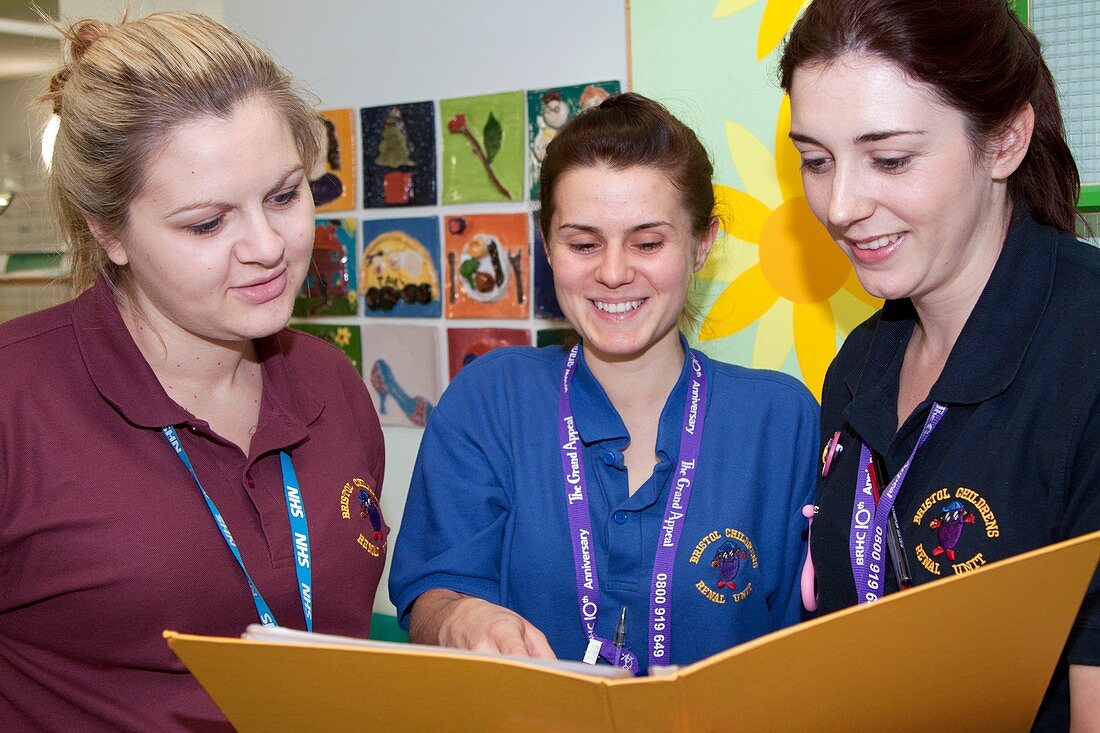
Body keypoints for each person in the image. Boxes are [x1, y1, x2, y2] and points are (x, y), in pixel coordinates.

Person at [0, 13, 386, 731]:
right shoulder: (15, 402)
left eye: (284, 195)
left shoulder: (332, 384)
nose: (268, 247)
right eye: (208, 224)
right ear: (106, 230)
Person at [390, 92, 819, 673]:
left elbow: (808, 649)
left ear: (702, 245)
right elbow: (431, 598)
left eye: (647, 242)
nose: (613, 273)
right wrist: (458, 617)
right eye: (584, 243)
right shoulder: (490, 399)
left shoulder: (780, 418)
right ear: (547, 246)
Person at [779, 1, 1099, 728]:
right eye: (816, 160)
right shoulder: (860, 364)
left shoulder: (1084, 356)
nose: (840, 205)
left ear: (1006, 139)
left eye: (890, 159)